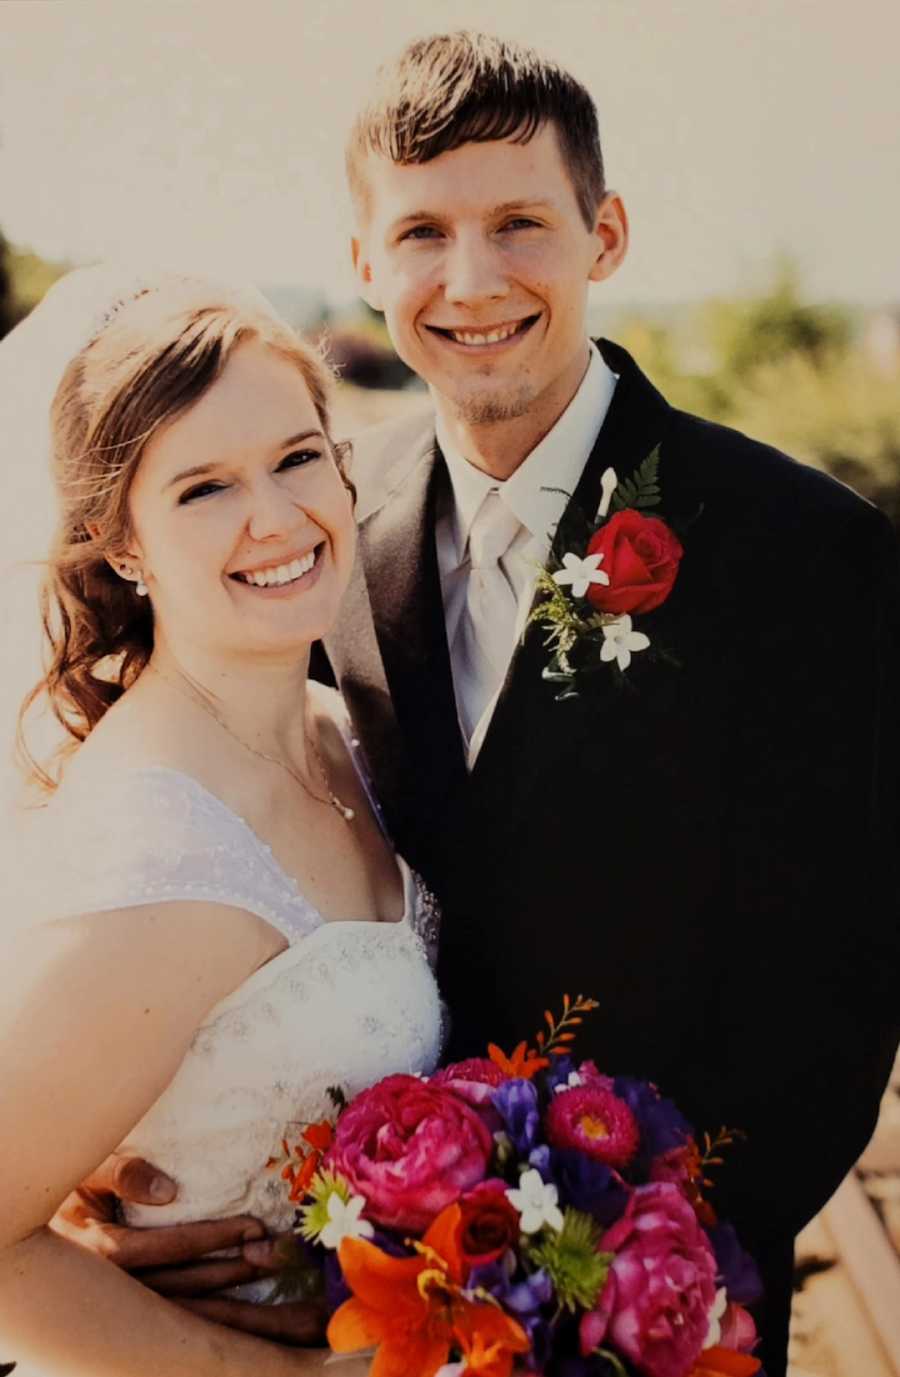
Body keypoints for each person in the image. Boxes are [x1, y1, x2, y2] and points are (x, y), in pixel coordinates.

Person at [53, 33, 899, 1377]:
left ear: (603, 232)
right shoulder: (322, 530)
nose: (471, 280)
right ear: (364, 262)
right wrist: (105, 1177)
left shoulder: (806, 556)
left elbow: (830, 1024)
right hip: (353, 1317)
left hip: (651, 1334)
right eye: (423, 234)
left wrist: (578, 1304)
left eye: (520, 224)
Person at [0, 269, 442, 1376]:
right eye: (203, 488)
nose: (275, 517)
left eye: (297, 457)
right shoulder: (161, 851)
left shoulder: (346, 733)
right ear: (121, 541)